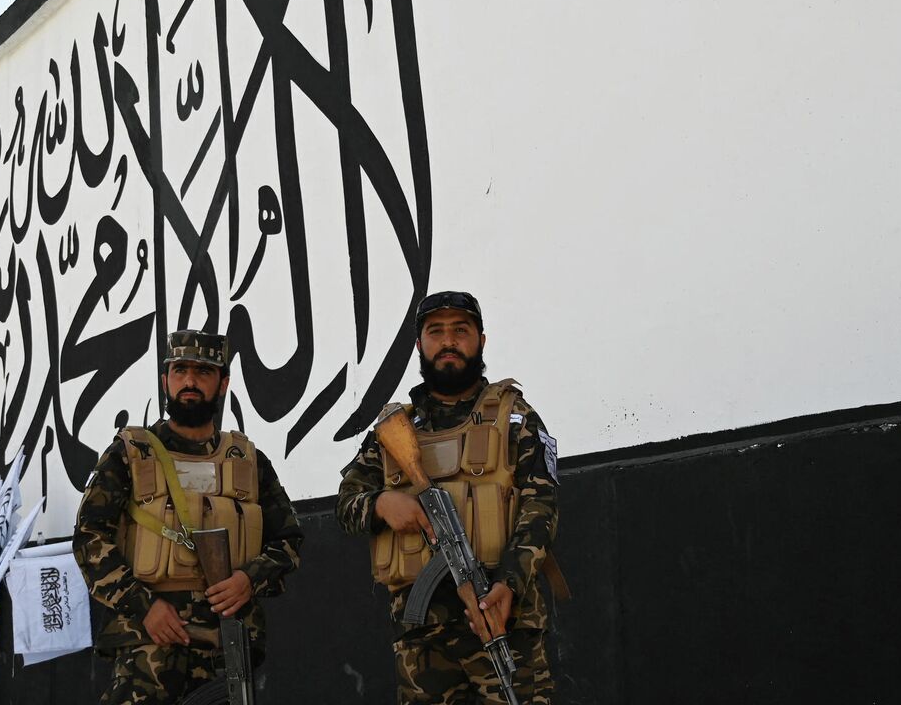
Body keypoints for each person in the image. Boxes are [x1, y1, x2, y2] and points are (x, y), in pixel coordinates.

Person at [337, 291, 562, 704]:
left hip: (504, 621)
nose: (448, 341)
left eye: (461, 330)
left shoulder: (515, 416)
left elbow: (541, 505)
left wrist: (508, 584)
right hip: (423, 640)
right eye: (435, 331)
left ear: (481, 340)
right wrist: (382, 504)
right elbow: (347, 504)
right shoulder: (392, 431)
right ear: (420, 345)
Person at [74, 330, 304, 704]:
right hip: (149, 645)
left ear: (223, 382)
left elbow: (289, 542)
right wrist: (143, 606)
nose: (190, 382)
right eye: (180, 370)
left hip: (224, 647)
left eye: (203, 371)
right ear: (165, 380)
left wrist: (248, 580)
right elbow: (90, 539)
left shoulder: (246, 461)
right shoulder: (130, 454)